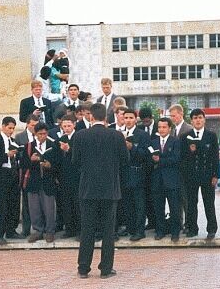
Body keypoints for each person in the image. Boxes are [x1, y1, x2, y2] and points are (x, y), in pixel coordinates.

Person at [72, 103, 128, 279]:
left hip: (87, 190)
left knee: (87, 229)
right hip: (109, 190)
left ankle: (83, 267)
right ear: (106, 117)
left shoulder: (80, 136)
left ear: (90, 116)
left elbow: (75, 162)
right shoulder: (116, 136)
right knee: (108, 231)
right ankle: (105, 268)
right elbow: (125, 161)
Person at [180, 108, 219, 239]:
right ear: (191, 121)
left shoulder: (211, 135)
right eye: (195, 118)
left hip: (207, 175)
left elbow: (215, 157)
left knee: (209, 202)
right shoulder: (185, 136)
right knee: (191, 203)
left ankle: (211, 229)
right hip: (191, 176)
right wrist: (190, 151)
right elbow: (182, 158)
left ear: (204, 120)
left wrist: (216, 175)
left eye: (200, 118)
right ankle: (192, 228)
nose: (198, 120)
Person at [0, 117, 23, 245]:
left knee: (14, 203)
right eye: (9, 128)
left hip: (13, 174)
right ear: (3, 126)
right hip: (0, 176)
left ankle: (11, 230)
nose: (11, 131)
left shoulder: (13, 141)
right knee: (1, 205)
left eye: (13, 128)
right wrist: (7, 155)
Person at [21, 122, 59, 243]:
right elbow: (23, 164)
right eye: (40, 134)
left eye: (44, 133)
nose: (42, 136)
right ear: (35, 134)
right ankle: (38, 230)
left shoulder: (53, 145)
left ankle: (50, 231)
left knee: (49, 208)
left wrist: (49, 165)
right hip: (34, 181)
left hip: (48, 181)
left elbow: (58, 164)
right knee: (34, 208)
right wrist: (31, 160)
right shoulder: (29, 146)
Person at [149, 118, 181, 242]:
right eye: (159, 127)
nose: (161, 129)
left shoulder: (175, 141)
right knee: (158, 207)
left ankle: (175, 232)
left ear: (169, 128)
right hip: (157, 180)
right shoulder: (153, 142)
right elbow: (149, 159)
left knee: (174, 207)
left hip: (171, 180)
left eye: (164, 127)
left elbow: (176, 159)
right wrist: (153, 159)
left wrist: (160, 160)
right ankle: (160, 231)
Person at [121, 108, 150, 241]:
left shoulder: (142, 135)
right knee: (126, 203)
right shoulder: (118, 133)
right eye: (126, 118)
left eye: (130, 118)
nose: (128, 120)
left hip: (138, 173)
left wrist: (133, 148)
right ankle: (130, 228)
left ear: (135, 119)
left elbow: (146, 155)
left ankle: (140, 230)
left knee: (139, 204)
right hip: (123, 174)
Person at [169, 103, 193, 232]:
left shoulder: (189, 129)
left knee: (186, 199)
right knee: (176, 199)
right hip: (174, 171)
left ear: (181, 114)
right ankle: (179, 224)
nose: (172, 118)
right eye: (171, 116)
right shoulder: (172, 130)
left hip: (186, 171)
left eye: (174, 115)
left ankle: (189, 225)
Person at [15, 114, 40, 237]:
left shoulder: (41, 136)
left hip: (39, 172)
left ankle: (39, 228)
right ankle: (26, 229)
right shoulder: (20, 137)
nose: (34, 127)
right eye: (32, 125)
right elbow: (17, 155)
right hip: (25, 174)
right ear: (27, 124)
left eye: (36, 125)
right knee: (26, 203)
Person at [57, 114, 80, 239]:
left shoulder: (79, 137)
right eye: (64, 126)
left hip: (77, 177)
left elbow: (80, 156)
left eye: (69, 125)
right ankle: (69, 229)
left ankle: (80, 230)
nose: (66, 128)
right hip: (64, 177)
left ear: (74, 125)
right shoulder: (61, 138)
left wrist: (69, 149)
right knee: (66, 204)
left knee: (77, 204)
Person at [137, 106, 158, 231]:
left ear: (151, 118)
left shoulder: (158, 127)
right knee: (146, 196)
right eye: (142, 121)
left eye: (147, 121)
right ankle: (150, 221)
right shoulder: (140, 129)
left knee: (156, 196)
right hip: (144, 168)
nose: (145, 123)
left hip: (157, 167)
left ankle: (157, 221)